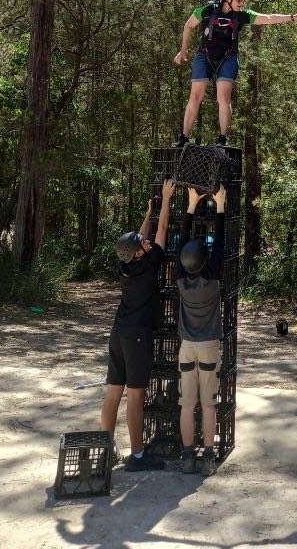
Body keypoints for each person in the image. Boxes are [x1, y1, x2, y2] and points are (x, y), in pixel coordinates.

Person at [173, 0, 297, 145]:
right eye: (239, 0)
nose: (242, 3)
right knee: (196, 96)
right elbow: (188, 25)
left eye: (243, 0)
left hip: (228, 57)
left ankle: (222, 139)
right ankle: (184, 137)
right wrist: (183, 50)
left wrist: (294, 17)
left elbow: (268, 18)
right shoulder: (207, 10)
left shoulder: (242, 15)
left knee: (223, 97)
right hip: (204, 55)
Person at [100, 178, 175, 472]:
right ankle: (138, 456)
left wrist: (148, 212)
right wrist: (166, 201)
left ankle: (106, 447)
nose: (145, 242)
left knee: (113, 390)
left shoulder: (127, 264)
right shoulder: (150, 263)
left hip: (118, 332)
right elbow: (162, 232)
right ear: (142, 253)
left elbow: (141, 238)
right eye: (142, 244)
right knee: (136, 393)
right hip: (137, 336)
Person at [176, 185, 226, 475]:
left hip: (186, 346)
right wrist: (219, 206)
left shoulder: (181, 280)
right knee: (209, 405)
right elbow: (218, 245)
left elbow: (182, 242)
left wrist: (191, 206)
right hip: (208, 344)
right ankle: (207, 455)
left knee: (186, 405)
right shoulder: (211, 281)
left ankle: (186, 456)